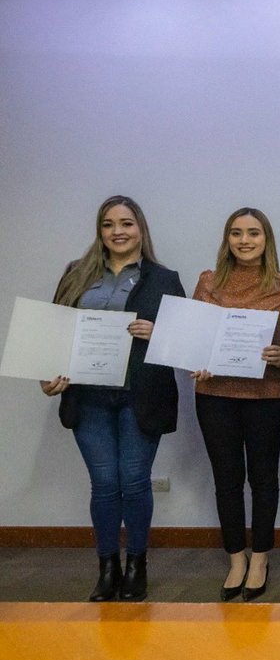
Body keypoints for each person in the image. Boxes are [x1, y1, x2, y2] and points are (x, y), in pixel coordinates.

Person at [41, 195, 184, 602]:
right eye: (108, 224)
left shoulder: (164, 278)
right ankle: (108, 568)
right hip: (88, 398)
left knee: (134, 482)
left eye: (126, 223)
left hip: (141, 396)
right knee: (104, 485)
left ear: (141, 229)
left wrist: (158, 334)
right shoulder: (76, 274)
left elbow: (186, 341)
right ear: (100, 231)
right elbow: (53, 332)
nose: (117, 232)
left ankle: (136, 566)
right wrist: (46, 377)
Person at [191, 208, 280, 602]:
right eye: (236, 233)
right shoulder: (208, 281)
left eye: (253, 233)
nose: (244, 240)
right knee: (226, 480)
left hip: (267, 395)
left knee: (264, 480)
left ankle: (261, 558)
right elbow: (191, 335)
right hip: (214, 395)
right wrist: (193, 359)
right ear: (226, 239)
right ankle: (236, 558)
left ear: (267, 239)